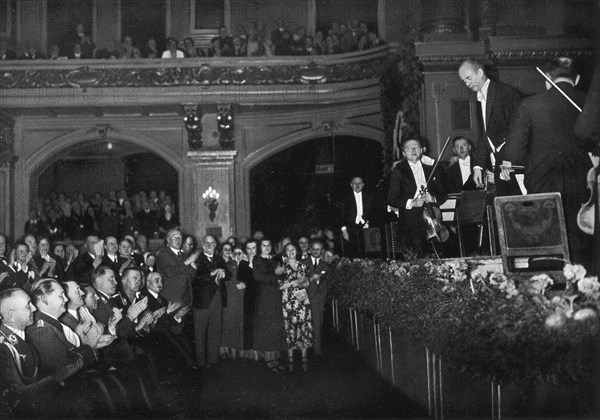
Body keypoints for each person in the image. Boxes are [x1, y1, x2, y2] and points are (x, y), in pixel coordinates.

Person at [502, 57, 595, 265]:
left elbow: (514, 152)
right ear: (577, 78)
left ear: (547, 80)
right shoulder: (590, 102)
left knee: (546, 239)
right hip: (582, 184)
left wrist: (510, 163)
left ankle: (547, 280)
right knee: (582, 242)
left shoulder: (529, 105)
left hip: (543, 182)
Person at [0, 288, 83, 415]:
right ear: (11, 315)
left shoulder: (23, 335)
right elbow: (16, 397)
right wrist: (56, 378)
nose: (34, 308)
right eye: (28, 305)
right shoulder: (4, 348)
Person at [458, 59, 521, 196]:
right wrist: (477, 166)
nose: (467, 83)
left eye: (468, 78)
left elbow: (517, 130)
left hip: (512, 163)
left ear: (480, 72)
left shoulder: (506, 92)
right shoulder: (479, 99)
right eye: (464, 81)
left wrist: (509, 159)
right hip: (500, 164)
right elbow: (484, 136)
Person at [387, 138, 447, 256]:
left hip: (432, 216)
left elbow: (443, 194)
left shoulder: (432, 168)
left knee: (437, 252)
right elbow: (391, 199)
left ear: (421, 150)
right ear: (403, 153)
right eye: (408, 148)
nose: (413, 150)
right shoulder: (399, 170)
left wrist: (433, 198)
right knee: (416, 254)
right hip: (411, 220)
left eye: (416, 147)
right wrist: (411, 203)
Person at [192, 235, 231, 370]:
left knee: (215, 330)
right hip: (202, 300)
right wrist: (213, 272)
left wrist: (224, 272)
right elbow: (197, 277)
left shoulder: (219, 258)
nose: (209, 245)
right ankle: (201, 362)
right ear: (202, 245)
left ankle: (213, 360)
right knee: (200, 332)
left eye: (212, 243)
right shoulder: (197, 258)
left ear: (215, 245)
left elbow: (229, 274)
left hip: (217, 299)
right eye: (206, 243)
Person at [252, 239, 286, 371]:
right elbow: (258, 276)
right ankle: (269, 359)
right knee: (267, 327)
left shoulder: (275, 258)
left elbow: (283, 275)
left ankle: (274, 358)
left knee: (276, 327)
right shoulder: (257, 259)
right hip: (265, 298)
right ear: (260, 247)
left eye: (268, 245)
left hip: (276, 296)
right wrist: (276, 276)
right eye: (264, 245)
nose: (266, 248)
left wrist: (278, 276)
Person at [279, 243, 312, 373]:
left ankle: (304, 358)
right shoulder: (282, 267)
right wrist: (295, 282)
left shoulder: (304, 265)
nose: (291, 252)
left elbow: (307, 283)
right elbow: (280, 286)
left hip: (302, 300)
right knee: (290, 328)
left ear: (296, 251)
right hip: (288, 301)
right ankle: (291, 359)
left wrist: (301, 282)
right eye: (288, 250)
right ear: (285, 252)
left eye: (293, 249)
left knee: (304, 326)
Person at [155, 229, 198, 308]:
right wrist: (187, 262)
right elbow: (169, 272)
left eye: (180, 237)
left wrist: (194, 268)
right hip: (171, 299)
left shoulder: (183, 255)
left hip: (185, 299)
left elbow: (191, 275)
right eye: (175, 237)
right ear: (168, 240)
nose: (178, 239)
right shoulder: (163, 254)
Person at [302, 239, 330, 357]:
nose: (316, 251)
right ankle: (304, 350)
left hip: (318, 299)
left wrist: (319, 279)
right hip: (305, 298)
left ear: (322, 251)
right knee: (305, 324)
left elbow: (328, 282)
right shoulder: (303, 263)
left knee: (318, 324)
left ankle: (317, 351)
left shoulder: (326, 266)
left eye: (318, 249)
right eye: (313, 248)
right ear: (309, 250)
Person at [220, 245, 245, 360]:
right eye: (235, 253)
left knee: (240, 323)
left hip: (242, 299)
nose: (237, 255)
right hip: (230, 299)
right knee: (229, 323)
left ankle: (239, 349)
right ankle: (230, 350)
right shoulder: (228, 265)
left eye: (240, 253)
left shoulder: (246, 265)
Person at [341, 176, 373, 258]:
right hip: (351, 228)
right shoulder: (346, 198)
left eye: (359, 183)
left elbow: (372, 213)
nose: (357, 185)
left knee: (367, 252)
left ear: (363, 185)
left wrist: (368, 223)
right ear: (351, 185)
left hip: (366, 227)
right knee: (353, 253)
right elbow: (342, 215)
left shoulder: (369, 197)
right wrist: (344, 230)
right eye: (355, 184)